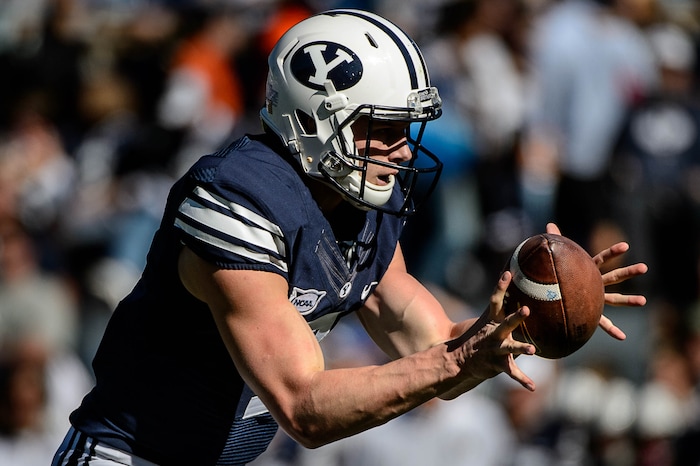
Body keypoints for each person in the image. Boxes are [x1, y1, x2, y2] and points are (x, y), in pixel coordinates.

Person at [51, 9, 647, 466]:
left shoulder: (362, 202)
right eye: (380, 127)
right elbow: (305, 407)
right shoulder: (236, 201)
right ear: (312, 116)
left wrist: (528, 321)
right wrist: (460, 357)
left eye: (404, 127)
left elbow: (430, 342)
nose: (401, 148)